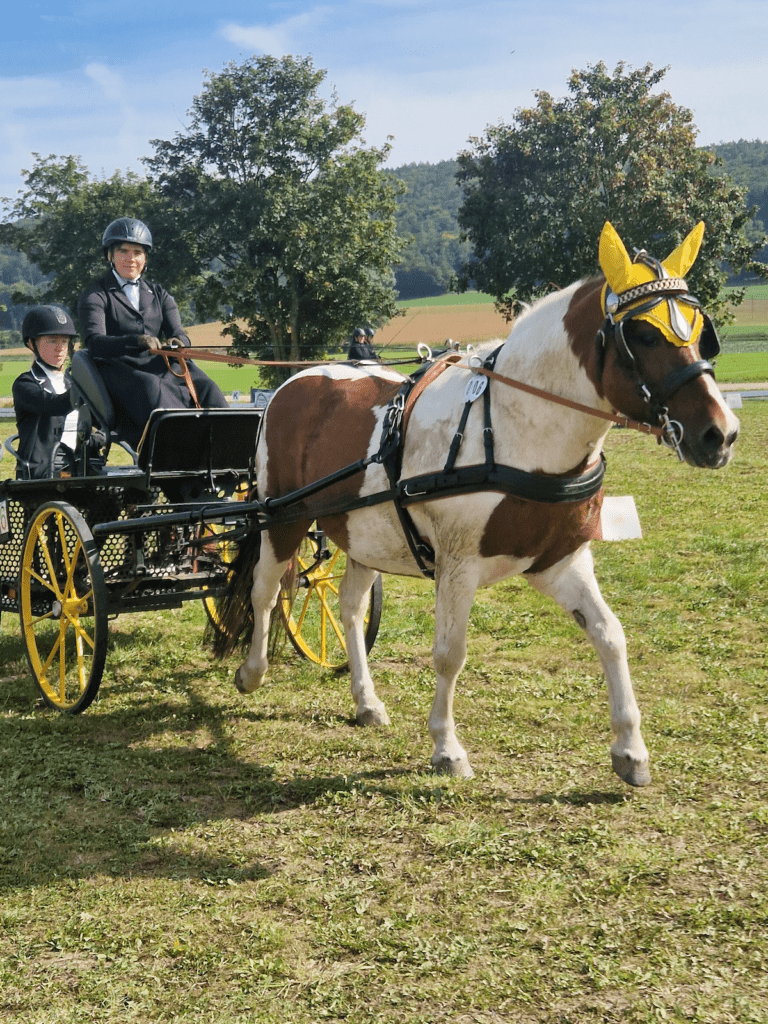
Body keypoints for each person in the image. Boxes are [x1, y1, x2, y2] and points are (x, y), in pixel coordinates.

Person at [78, 217, 228, 449]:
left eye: (137, 252)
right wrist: (136, 341)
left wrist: (179, 342)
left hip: (162, 366)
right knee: (152, 388)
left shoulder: (159, 294)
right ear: (110, 255)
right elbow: (94, 342)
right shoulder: (96, 294)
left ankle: (227, 448)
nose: (131, 259)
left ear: (145, 257)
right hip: (120, 370)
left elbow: (180, 333)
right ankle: (178, 449)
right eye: (123, 251)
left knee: (207, 386)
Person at [12, 305, 82, 479]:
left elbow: (96, 419)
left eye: (64, 341)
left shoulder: (71, 383)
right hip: (43, 472)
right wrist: (86, 386)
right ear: (31, 343)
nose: (60, 348)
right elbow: (54, 405)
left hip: (80, 465)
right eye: (52, 341)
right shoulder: (25, 384)